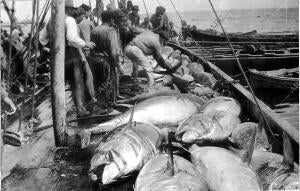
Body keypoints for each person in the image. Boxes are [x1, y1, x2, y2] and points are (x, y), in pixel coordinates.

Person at [39, 3, 96, 117]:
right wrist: (85, 44)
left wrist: (52, 47)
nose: (73, 12)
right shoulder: (69, 20)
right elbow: (72, 38)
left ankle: (59, 115)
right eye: (71, 9)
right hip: (71, 57)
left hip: (56, 60)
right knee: (76, 85)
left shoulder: (50, 21)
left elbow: (42, 39)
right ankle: (81, 111)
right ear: (68, 9)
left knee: (59, 87)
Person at [120, 26, 178, 91]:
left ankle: (134, 79)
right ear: (161, 38)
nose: (165, 43)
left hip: (127, 48)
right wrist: (166, 66)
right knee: (148, 67)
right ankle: (150, 87)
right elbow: (159, 58)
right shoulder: (157, 43)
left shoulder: (149, 32)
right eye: (165, 41)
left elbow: (134, 29)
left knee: (136, 63)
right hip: (135, 50)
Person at [89, 10, 124, 105]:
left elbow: (92, 46)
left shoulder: (95, 30)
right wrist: (119, 64)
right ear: (111, 19)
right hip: (106, 61)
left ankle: (100, 104)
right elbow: (113, 51)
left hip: (95, 60)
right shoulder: (110, 31)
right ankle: (107, 105)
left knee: (98, 84)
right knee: (108, 83)